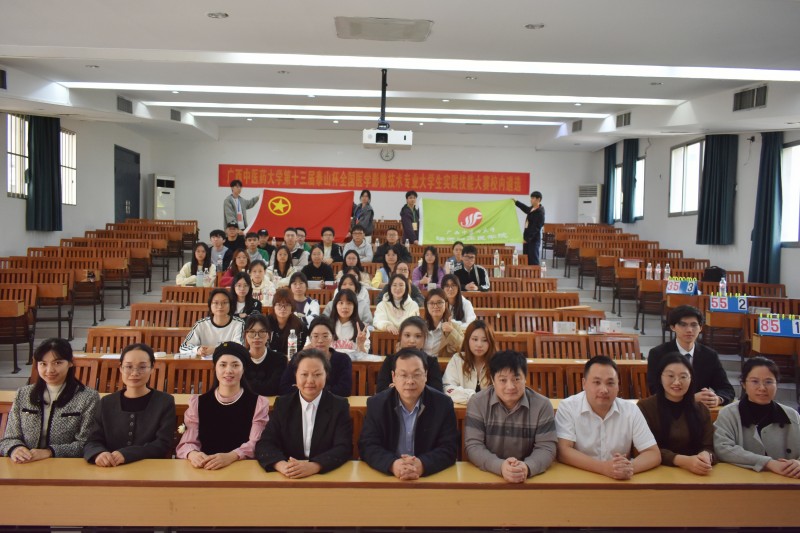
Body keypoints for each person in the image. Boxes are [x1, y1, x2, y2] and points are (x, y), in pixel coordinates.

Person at [359, 348, 459, 479]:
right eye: (403, 375)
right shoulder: (377, 404)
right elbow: (368, 445)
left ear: (426, 375)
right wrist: (393, 464)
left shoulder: (443, 404)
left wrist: (423, 464)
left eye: (417, 374)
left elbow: (449, 447)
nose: (410, 381)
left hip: (428, 477)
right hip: (389, 477)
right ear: (393, 377)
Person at [555, 356, 660, 480]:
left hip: (618, 481)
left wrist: (627, 468)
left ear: (618, 385)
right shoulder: (568, 407)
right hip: (580, 477)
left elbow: (653, 453)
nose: (604, 390)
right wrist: (603, 468)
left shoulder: (631, 410)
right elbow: (563, 451)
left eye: (610, 383)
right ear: (584, 383)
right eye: (597, 382)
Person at [256, 348, 354, 478]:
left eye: (317, 374)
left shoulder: (339, 406)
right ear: (295, 375)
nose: (310, 380)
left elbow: (344, 447)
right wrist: (282, 466)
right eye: (304, 374)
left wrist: (315, 466)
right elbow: (265, 444)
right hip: (287, 476)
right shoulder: (283, 405)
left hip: (325, 475)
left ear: (326, 375)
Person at [0, 338, 99, 462]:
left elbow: (86, 444)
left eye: (57, 363)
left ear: (70, 363)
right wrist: (15, 448)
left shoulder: (88, 397)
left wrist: (50, 452)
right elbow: (9, 439)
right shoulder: (23, 394)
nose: (49, 370)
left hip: (65, 466)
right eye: (43, 364)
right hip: (25, 464)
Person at [464, 350, 557, 481]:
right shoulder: (478, 402)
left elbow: (547, 448)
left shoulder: (542, 405)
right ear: (492, 380)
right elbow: (473, 446)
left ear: (525, 378)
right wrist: (500, 466)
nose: (510, 386)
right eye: (503, 380)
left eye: (516, 379)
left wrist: (527, 467)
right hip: (488, 475)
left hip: (527, 479)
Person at [176, 342, 269, 469]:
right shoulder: (198, 402)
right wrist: (193, 454)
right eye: (223, 365)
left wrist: (231, 456)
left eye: (235, 365)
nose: (228, 371)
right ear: (215, 368)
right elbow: (187, 442)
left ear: (243, 369)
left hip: (242, 469)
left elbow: (256, 443)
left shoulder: (258, 403)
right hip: (205, 469)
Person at [84, 343, 176, 466]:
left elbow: (163, 443)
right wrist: (99, 453)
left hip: (150, 469)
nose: (134, 373)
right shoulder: (106, 402)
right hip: (110, 469)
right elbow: (92, 441)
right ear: (121, 368)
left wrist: (128, 454)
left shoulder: (165, 401)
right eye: (128, 366)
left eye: (142, 367)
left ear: (152, 368)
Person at [714, 357, 800, 477]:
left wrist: (798, 463)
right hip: (742, 480)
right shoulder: (729, 414)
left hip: (786, 480)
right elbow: (722, 448)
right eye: (755, 381)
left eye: (768, 382)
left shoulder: (792, 415)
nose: (762, 388)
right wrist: (767, 463)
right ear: (743, 384)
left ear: (777, 384)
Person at [638, 353, 716, 475]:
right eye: (670, 376)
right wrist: (683, 461)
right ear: (660, 377)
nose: (677, 382)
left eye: (683, 377)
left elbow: (709, 446)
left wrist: (706, 455)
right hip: (657, 472)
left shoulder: (701, 409)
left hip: (695, 473)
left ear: (691, 379)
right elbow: (645, 449)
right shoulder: (645, 407)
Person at [647, 305, 735, 408]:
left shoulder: (710, 355)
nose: (689, 330)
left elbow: (726, 389)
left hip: (699, 412)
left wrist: (717, 399)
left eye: (694, 325)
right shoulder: (658, 354)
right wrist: (690, 399)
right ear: (673, 327)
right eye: (683, 325)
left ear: (700, 328)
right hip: (669, 410)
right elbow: (655, 390)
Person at [280, 316, 352, 397]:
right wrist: (329, 389)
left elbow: (344, 390)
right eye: (316, 336)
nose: (320, 340)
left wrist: (305, 389)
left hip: (332, 403)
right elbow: (284, 387)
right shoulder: (298, 358)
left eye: (325, 336)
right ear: (310, 338)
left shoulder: (343, 360)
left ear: (332, 337)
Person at [375, 316, 444, 393]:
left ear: (424, 339)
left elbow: (437, 392)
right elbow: (380, 390)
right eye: (407, 335)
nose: (412, 341)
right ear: (400, 337)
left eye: (418, 336)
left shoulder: (431, 362)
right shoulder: (390, 361)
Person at [180, 289, 246, 357]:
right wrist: (197, 349)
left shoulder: (239, 323)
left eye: (224, 302)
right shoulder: (201, 324)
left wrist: (217, 349)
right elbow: (183, 347)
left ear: (230, 305)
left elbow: (239, 347)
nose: (220, 306)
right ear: (210, 305)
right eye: (216, 303)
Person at [443, 320, 496, 404]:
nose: (479, 344)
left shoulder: (498, 362)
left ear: (490, 342)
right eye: (475, 339)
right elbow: (447, 388)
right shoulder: (457, 359)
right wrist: (471, 396)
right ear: (467, 340)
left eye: (485, 340)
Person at [242, 314, 286, 397]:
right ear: (245, 335)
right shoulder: (240, 359)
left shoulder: (280, 359)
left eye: (262, 332)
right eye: (252, 332)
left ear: (269, 335)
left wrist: (248, 385)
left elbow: (273, 389)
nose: (257, 337)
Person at [423, 288, 464, 358]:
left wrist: (452, 331)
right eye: (431, 303)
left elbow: (463, 348)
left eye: (439, 302)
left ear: (446, 304)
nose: (435, 306)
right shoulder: (420, 326)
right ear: (426, 306)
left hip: (442, 364)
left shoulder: (454, 326)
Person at [267, 288, 308, 356]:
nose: (283, 308)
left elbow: (302, 349)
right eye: (279, 304)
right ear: (274, 306)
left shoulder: (300, 325)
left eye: (287, 305)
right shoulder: (265, 323)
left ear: (292, 307)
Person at [328, 289, 369, 354]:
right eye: (341, 303)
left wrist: (361, 346)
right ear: (335, 305)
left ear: (354, 307)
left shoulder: (362, 328)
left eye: (349, 303)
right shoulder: (326, 325)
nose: (344, 307)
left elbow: (364, 356)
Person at [514, 191, 545, 267]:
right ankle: (528, 274)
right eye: (531, 198)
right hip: (527, 238)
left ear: (538, 199)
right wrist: (516, 202)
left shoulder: (540, 212)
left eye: (533, 198)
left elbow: (536, 228)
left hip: (533, 240)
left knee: (533, 260)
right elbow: (526, 209)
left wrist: (527, 239)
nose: (531, 200)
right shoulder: (532, 208)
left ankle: (535, 274)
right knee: (526, 258)